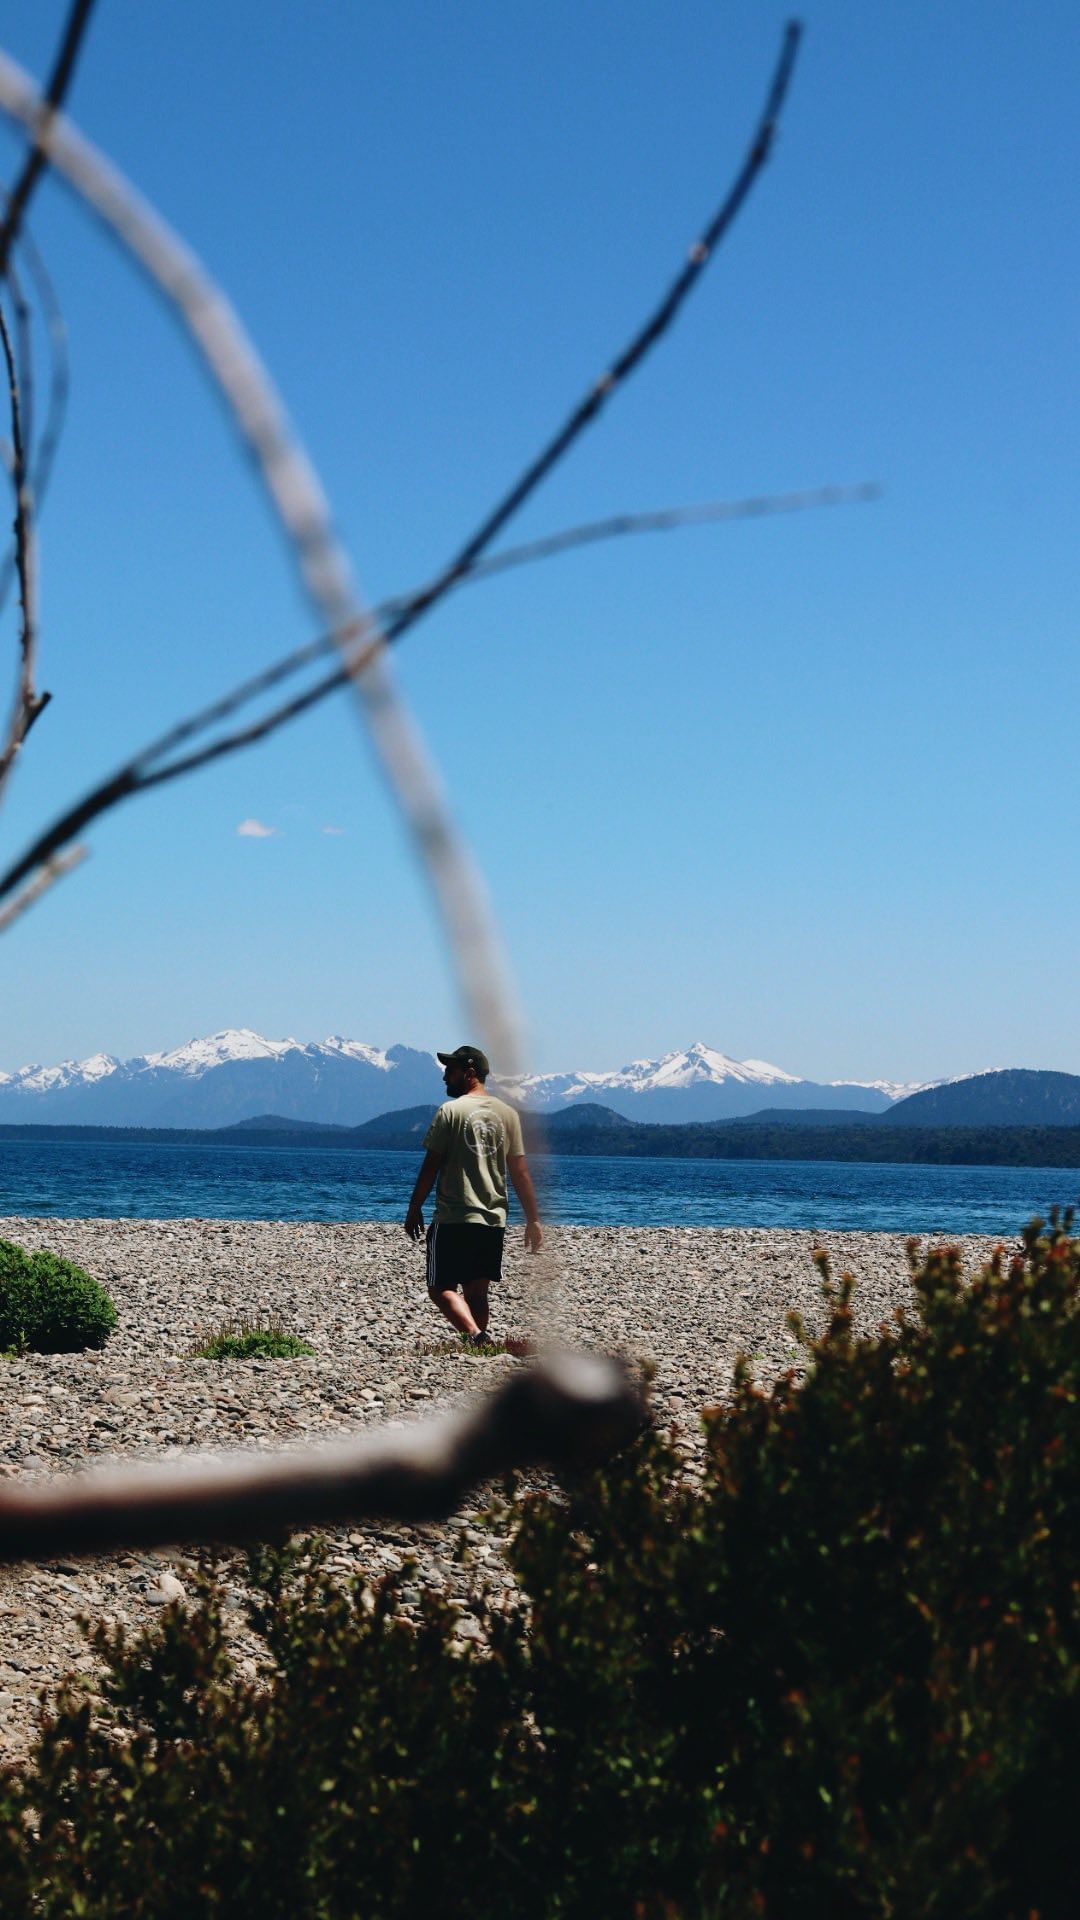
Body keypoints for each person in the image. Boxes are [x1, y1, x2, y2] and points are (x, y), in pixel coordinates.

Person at [404, 1044, 543, 1346]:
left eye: (450, 1072)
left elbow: (431, 1166)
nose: (444, 1078)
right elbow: (520, 1171)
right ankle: (480, 1346)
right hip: (492, 1218)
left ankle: (476, 1336)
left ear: (469, 1073)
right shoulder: (508, 1114)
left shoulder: (450, 1112)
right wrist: (533, 1218)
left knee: (440, 1287)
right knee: (477, 1292)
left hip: (454, 1216)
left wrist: (414, 1207)